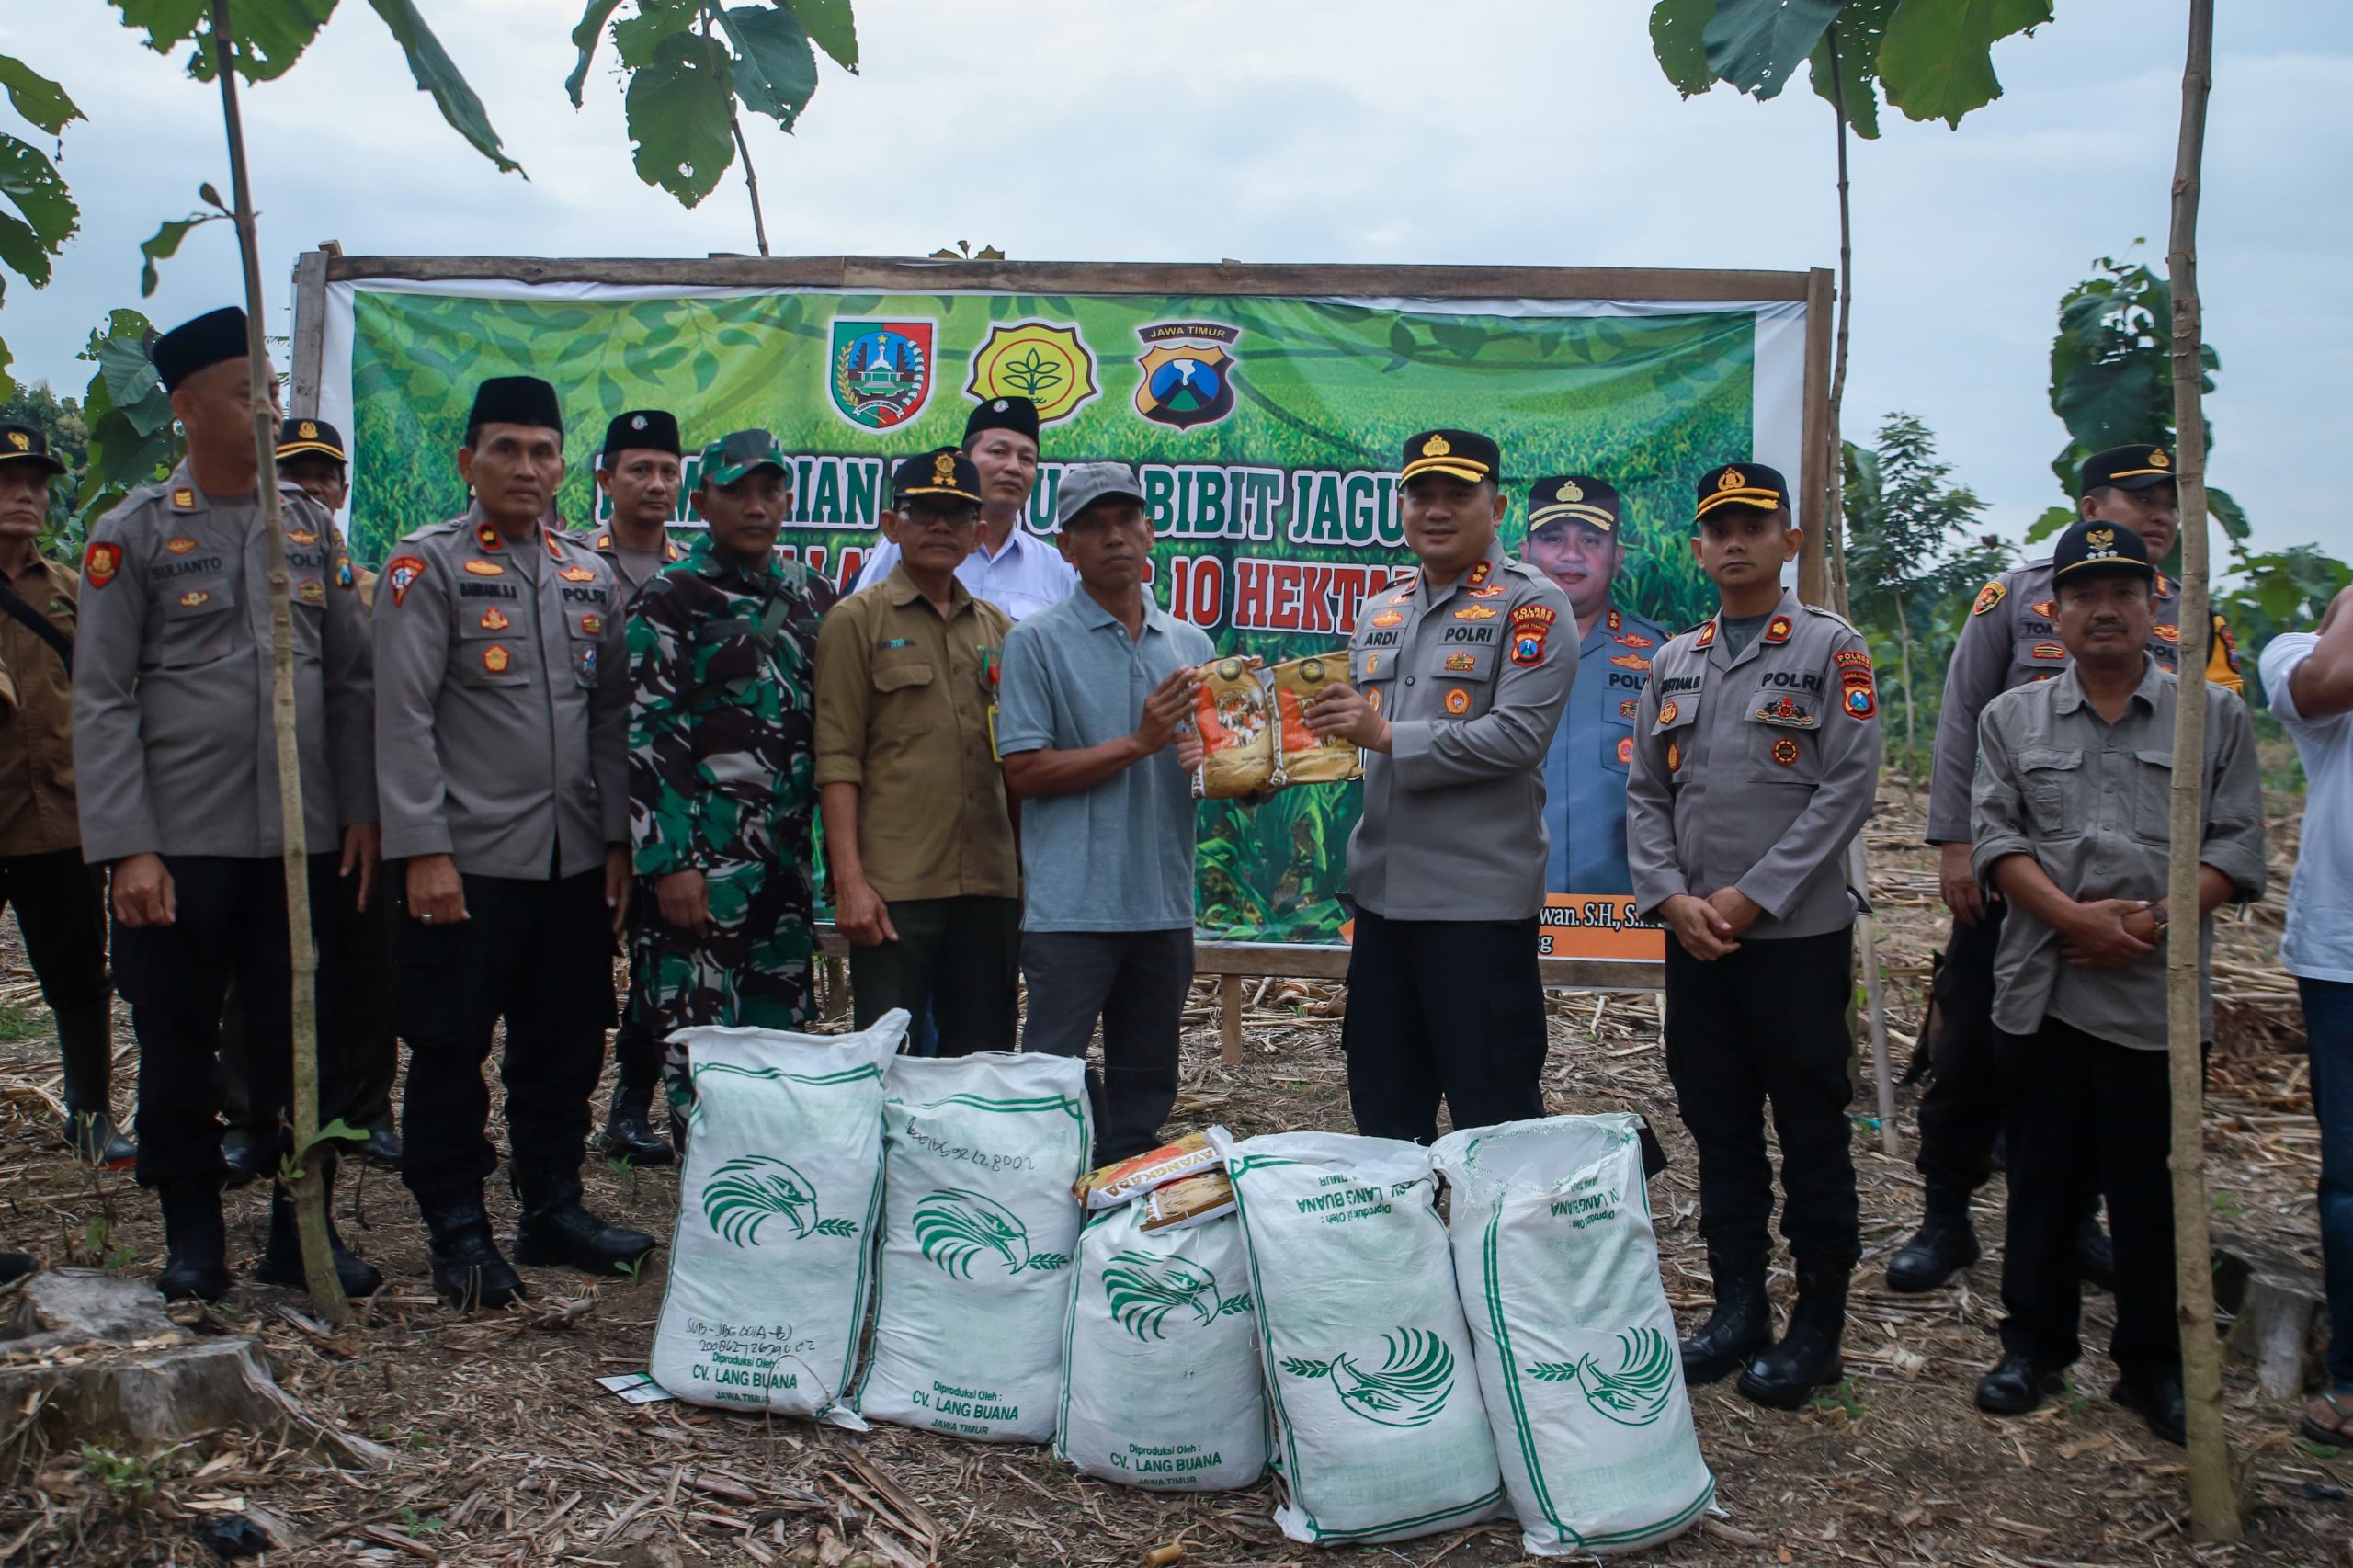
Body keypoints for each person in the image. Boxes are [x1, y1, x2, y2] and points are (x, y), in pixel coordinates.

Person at [74, 307, 381, 1301]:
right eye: (247, 389)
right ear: (186, 405)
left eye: (276, 389)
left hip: (300, 842)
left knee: (307, 1038)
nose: (268, 405)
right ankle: (193, 1232)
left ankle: (303, 1231)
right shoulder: (134, 533)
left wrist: (361, 813)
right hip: (183, 841)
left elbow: (352, 682)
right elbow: (103, 697)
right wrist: (130, 847)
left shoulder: (309, 526)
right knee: (177, 1037)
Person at [1894, 442, 2245, 1294]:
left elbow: (2223, 758)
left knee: (2109, 1071)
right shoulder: (2018, 597)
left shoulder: (2195, 618)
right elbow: (1962, 715)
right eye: (2140, 498)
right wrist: (1952, 844)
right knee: (1973, 1040)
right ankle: (1947, 1213)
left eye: (2170, 499)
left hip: (2139, 900)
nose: (2161, 513)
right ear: (2092, 510)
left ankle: (2076, 1222)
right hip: (2011, 876)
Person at [1966, 517, 2265, 1444]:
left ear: (2153, 605)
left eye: (2123, 592)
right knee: (2044, 1176)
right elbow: (1996, 837)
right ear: (2051, 611)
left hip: (2153, 995)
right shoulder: (2010, 718)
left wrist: (2155, 920)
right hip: (2042, 983)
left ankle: (2152, 1364)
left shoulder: (2209, 716)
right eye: (2084, 594)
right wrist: (2073, 918)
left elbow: (2237, 846)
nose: (2104, 609)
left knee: (2150, 1187)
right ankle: (2034, 1345)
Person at [374, 374, 653, 1308]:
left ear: (564, 464)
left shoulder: (588, 570)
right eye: (506, 449)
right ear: (469, 462)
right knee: (451, 1048)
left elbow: (610, 717)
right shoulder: (429, 565)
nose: (526, 468)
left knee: (565, 1045)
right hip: (466, 864)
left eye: (542, 451)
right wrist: (423, 848)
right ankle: (457, 1228)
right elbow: (403, 717)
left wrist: (616, 839)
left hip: (571, 863)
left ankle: (551, 1207)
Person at [1625, 461, 1881, 1410]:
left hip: (1792, 942)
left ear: (1789, 540)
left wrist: (1753, 897)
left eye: (1753, 523)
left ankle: (1818, 1325)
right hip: (1694, 942)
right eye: (1717, 527)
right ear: (1697, 548)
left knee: (1811, 1129)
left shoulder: (1830, 650)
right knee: (1719, 1124)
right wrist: (1671, 898)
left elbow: (1845, 788)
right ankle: (1739, 1307)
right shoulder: (1673, 660)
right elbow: (1646, 791)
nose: (1734, 540)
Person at [1305, 431, 1573, 1144]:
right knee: (1386, 1115)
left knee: (1495, 1121)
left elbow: (1519, 737)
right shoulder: (1381, 610)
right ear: (1402, 505)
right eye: (1422, 493)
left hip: (1475, 911)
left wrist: (1389, 735)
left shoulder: (1534, 606)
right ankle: (1404, 1258)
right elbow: (1354, 740)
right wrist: (1273, 760)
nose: (1437, 509)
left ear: (1499, 505)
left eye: (1459, 493)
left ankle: (1500, 1258)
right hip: (1384, 904)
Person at [998, 463, 1211, 1164]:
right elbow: (1023, 772)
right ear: (1067, 549)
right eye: (1092, 525)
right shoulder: (1036, 641)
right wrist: (1139, 743)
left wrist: (1248, 775)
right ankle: (1044, 1204)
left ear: (1150, 532)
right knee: (1051, 1073)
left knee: (1146, 1084)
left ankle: (1124, 1201)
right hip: (1073, 908)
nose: (1113, 536)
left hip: (1162, 903)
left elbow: (1210, 764)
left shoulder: (1191, 647)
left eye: (1126, 520)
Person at [626, 428, 833, 1120]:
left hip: (783, 868)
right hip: (703, 870)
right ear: (702, 499)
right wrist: (670, 864)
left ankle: (773, 1200)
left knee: (781, 1054)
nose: (756, 506)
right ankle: (708, 1206)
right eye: (736, 491)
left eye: (769, 490)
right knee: (701, 1048)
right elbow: (650, 733)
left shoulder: (812, 597)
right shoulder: (673, 596)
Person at [216, 415, 404, 1177]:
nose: (311, 488)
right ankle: (250, 1116)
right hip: (260, 804)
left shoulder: (381, 587)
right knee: (253, 969)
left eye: (325, 476)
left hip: (359, 805)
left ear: (344, 489)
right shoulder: (248, 576)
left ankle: (365, 1111)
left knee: (367, 964)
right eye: (294, 473)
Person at [814, 449, 1019, 1051]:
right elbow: (837, 758)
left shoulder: (1000, 630)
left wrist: (1025, 876)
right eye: (923, 511)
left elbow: (1017, 763)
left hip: (988, 885)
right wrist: (849, 883)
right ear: (891, 524)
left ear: (978, 533)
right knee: (889, 1057)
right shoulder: (856, 621)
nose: (940, 527)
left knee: (981, 1058)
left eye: (956, 516)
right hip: (895, 889)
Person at [0, 422, 131, 1168]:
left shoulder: (68, 591)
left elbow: (107, 693)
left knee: (80, 977)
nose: (26, 496)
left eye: (38, 484)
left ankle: (90, 1116)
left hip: (63, 821)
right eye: (8, 481)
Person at [574, 409, 687, 1165]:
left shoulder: (690, 576)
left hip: (666, 809)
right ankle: (560, 1119)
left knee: (660, 965)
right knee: (579, 968)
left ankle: (630, 1110)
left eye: (668, 471)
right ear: (605, 478)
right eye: (639, 469)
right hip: (578, 803)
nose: (655, 484)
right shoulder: (572, 565)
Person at [2257, 591, 2353, 1444]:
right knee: (2351, 1183)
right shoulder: (2297, 657)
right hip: (2345, 959)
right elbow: (2330, 677)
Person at [1523, 474, 1668, 895]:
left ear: (1617, 557)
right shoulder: (1488, 650)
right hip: (1504, 909)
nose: (1572, 555)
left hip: (1627, 913)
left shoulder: (1663, 657)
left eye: (1590, 540)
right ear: (1525, 553)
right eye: (1553, 538)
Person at [852, 397, 1074, 622]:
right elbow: (860, 622)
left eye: (1027, 459)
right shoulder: (913, 541)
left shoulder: (1055, 567)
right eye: (998, 452)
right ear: (962, 462)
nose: (1013, 467)